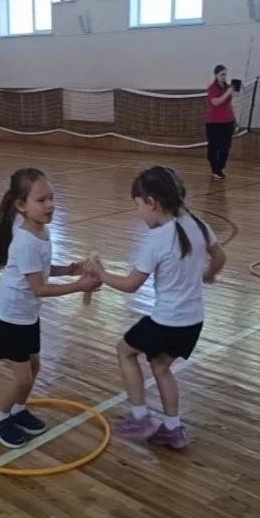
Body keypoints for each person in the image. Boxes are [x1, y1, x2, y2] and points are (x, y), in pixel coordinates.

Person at [87, 166, 226, 449]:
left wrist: (100, 274)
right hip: (193, 322)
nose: (138, 213)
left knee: (124, 351)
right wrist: (209, 275)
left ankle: (140, 416)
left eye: (138, 205)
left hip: (167, 322)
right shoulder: (198, 224)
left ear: (151, 202)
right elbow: (220, 256)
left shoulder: (158, 240)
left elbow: (130, 285)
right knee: (161, 366)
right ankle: (173, 428)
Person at [0, 168, 100, 448]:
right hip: (9, 319)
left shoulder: (42, 231)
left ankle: (17, 410)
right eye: (41, 200)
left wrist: (69, 269)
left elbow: (42, 270)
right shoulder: (25, 241)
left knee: (34, 366)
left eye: (52, 198)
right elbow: (39, 288)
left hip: (26, 317)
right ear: (21, 205)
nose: (50, 204)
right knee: (22, 378)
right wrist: (79, 286)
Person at [206, 65, 235, 180]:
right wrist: (228, 92)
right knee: (214, 147)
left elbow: (229, 104)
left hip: (227, 121)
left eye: (225, 74)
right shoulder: (212, 88)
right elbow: (216, 102)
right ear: (216, 75)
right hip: (214, 123)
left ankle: (219, 169)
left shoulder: (227, 87)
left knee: (225, 147)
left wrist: (234, 118)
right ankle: (214, 169)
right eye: (222, 74)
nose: (224, 77)